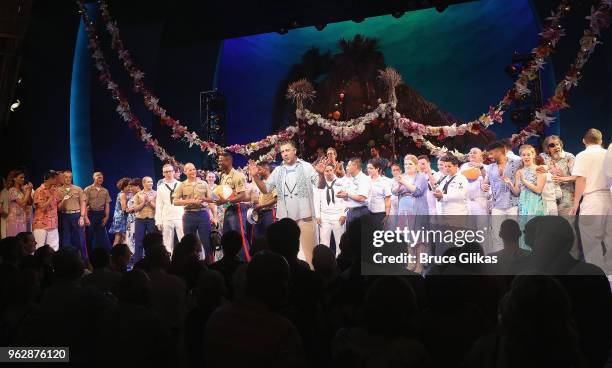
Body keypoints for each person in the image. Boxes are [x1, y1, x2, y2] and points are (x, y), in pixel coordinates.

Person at [248, 140, 326, 268]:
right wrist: (256, 176)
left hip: (305, 216)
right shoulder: (278, 170)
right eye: (282, 151)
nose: (284, 154)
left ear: (294, 151)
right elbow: (265, 189)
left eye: (287, 150)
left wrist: (321, 174)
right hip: (285, 219)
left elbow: (320, 185)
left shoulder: (306, 166)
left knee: (310, 254)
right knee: (286, 256)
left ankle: (312, 280)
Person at [570, 128, 611, 276]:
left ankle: (597, 276)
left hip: (593, 199)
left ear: (583, 141)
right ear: (601, 141)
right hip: (610, 198)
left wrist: (576, 203)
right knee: (610, 238)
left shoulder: (583, 155)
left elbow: (581, 179)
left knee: (591, 239)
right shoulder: (608, 153)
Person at [482, 140, 522, 253]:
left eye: (491, 153)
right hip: (497, 206)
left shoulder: (517, 162)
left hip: (513, 205)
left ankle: (515, 260)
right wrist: (484, 185)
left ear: (499, 152)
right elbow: (486, 182)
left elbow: (530, 165)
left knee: (515, 235)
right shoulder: (490, 167)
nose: (489, 156)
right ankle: (499, 262)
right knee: (497, 235)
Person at [174, 163, 215, 263]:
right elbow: (175, 201)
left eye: (194, 169)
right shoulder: (182, 185)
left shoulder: (203, 183)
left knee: (207, 241)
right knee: (189, 241)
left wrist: (203, 199)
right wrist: (190, 201)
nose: (193, 171)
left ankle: (210, 262)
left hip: (202, 214)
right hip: (189, 215)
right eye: (190, 170)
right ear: (185, 172)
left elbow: (213, 199)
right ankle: (191, 262)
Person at [216, 153, 250, 261]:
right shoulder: (223, 176)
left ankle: (246, 262)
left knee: (239, 236)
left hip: (238, 208)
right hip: (228, 209)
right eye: (219, 161)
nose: (220, 163)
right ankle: (231, 262)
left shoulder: (238, 175)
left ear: (229, 161)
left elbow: (243, 195)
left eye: (222, 161)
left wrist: (226, 201)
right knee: (228, 236)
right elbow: (224, 194)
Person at [314, 163, 347, 256]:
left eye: (330, 170)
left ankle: (340, 264)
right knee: (324, 244)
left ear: (333, 171)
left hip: (338, 216)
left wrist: (344, 214)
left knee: (340, 243)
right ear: (323, 172)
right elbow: (316, 201)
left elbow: (347, 201)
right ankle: (325, 264)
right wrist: (318, 216)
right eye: (326, 171)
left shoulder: (341, 182)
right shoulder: (320, 184)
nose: (329, 173)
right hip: (324, 217)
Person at [504, 145, 547, 216]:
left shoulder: (539, 169)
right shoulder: (519, 172)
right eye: (523, 155)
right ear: (521, 157)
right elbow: (516, 192)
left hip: (535, 203)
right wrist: (509, 184)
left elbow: (538, 190)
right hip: (523, 204)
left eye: (528, 155)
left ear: (533, 155)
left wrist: (525, 182)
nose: (526, 157)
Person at [540, 135, 575, 215]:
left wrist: (562, 178)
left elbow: (577, 177)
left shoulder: (569, 157)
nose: (556, 147)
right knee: (551, 224)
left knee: (566, 223)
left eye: (557, 144)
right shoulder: (543, 157)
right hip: (548, 197)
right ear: (547, 148)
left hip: (566, 196)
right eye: (552, 145)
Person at [155, 164, 184, 255]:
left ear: (173, 172)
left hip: (180, 216)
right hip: (166, 217)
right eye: (166, 172)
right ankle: (168, 262)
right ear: (163, 174)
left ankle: (186, 259)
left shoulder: (181, 184)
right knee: (167, 243)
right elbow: (159, 204)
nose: (168, 173)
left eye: (170, 171)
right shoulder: (161, 187)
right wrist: (158, 220)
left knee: (183, 240)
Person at [57, 170, 87, 258]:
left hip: (76, 215)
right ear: (63, 178)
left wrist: (82, 216)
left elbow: (83, 203)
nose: (68, 179)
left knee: (80, 239)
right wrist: (63, 201)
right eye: (66, 177)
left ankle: (83, 260)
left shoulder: (78, 189)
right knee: (66, 239)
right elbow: (58, 208)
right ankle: (67, 260)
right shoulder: (58, 190)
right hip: (64, 216)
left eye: (70, 177)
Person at [32, 170, 64, 250]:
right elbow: (42, 208)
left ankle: (52, 262)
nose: (57, 181)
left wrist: (64, 201)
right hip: (41, 224)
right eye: (56, 179)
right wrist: (51, 196)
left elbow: (58, 207)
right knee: (39, 247)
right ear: (50, 179)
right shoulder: (39, 191)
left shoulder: (55, 190)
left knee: (54, 247)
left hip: (53, 224)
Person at [336, 157, 370, 228]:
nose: (347, 167)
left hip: (361, 212)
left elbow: (362, 198)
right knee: (351, 238)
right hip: (350, 212)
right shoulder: (349, 179)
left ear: (355, 166)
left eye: (349, 165)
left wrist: (347, 194)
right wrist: (344, 195)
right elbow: (347, 199)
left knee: (362, 238)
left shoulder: (364, 179)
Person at [132, 177, 157, 264]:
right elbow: (135, 209)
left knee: (152, 242)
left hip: (152, 219)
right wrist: (143, 203)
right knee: (139, 242)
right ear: (143, 184)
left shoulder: (156, 193)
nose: (150, 183)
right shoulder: (138, 194)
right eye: (148, 182)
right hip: (140, 220)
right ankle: (137, 263)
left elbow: (158, 208)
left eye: (151, 182)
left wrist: (150, 202)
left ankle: (153, 262)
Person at [84, 172, 111, 252]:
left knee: (101, 236)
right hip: (91, 214)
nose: (100, 179)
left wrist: (107, 216)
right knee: (89, 235)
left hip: (101, 214)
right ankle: (89, 254)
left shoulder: (105, 190)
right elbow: (84, 204)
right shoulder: (88, 189)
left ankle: (103, 253)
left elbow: (107, 204)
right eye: (98, 177)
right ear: (94, 178)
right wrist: (85, 217)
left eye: (101, 177)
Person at [251, 161, 277, 241]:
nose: (258, 172)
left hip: (270, 211)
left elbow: (276, 199)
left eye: (260, 170)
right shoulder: (262, 182)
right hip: (261, 212)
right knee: (261, 237)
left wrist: (262, 206)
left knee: (271, 236)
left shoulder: (273, 181)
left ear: (266, 168)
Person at [460, 148, 489, 215]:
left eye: (475, 153)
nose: (472, 154)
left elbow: (488, 181)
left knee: (482, 225)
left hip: (480, 203)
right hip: (466, 203)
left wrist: (481, 168)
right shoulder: (464, 166)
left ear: (481, 156)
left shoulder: (487, 167)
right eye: (470, 153)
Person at [5, 170, 33, 237]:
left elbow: (30, 203)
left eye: (23, 177)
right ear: (14, 179)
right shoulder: (12, 190)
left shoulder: (22, 190)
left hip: (23, 220)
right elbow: (22, 203)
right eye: (21, 177)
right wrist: (28, 192)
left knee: (22, 241)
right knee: (15, 241)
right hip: (14, 221)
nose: (23, 179)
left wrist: (29, 191)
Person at [366, 158, 391, 226]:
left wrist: (387, 215)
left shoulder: (384, 182)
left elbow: (387, 200)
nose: (369, 170)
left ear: (377, 168)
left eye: (371, 168)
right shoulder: (365, 180)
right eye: (368, 168)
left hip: (379, 214)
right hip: (367, 212)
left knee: (378, 235)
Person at [109, 177, 131, 246]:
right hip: (122, 218)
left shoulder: (124, 194)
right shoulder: (123, 194)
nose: (130, 188)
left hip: (120, 217)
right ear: (123, 186)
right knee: (123, 237)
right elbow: (124, 208)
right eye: (128, 186)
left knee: (119, 238)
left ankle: (115, 254)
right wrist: (134, 208)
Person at [125, 178, 141, 253]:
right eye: (130, 186)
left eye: (132, 187)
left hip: (136, 220)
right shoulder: (133, 195)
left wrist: (131, 209)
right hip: (131, 220)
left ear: (137, 186)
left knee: (135, 238)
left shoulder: (140, 195)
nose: (130, 188)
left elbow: (139, 207)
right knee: (130, 238)